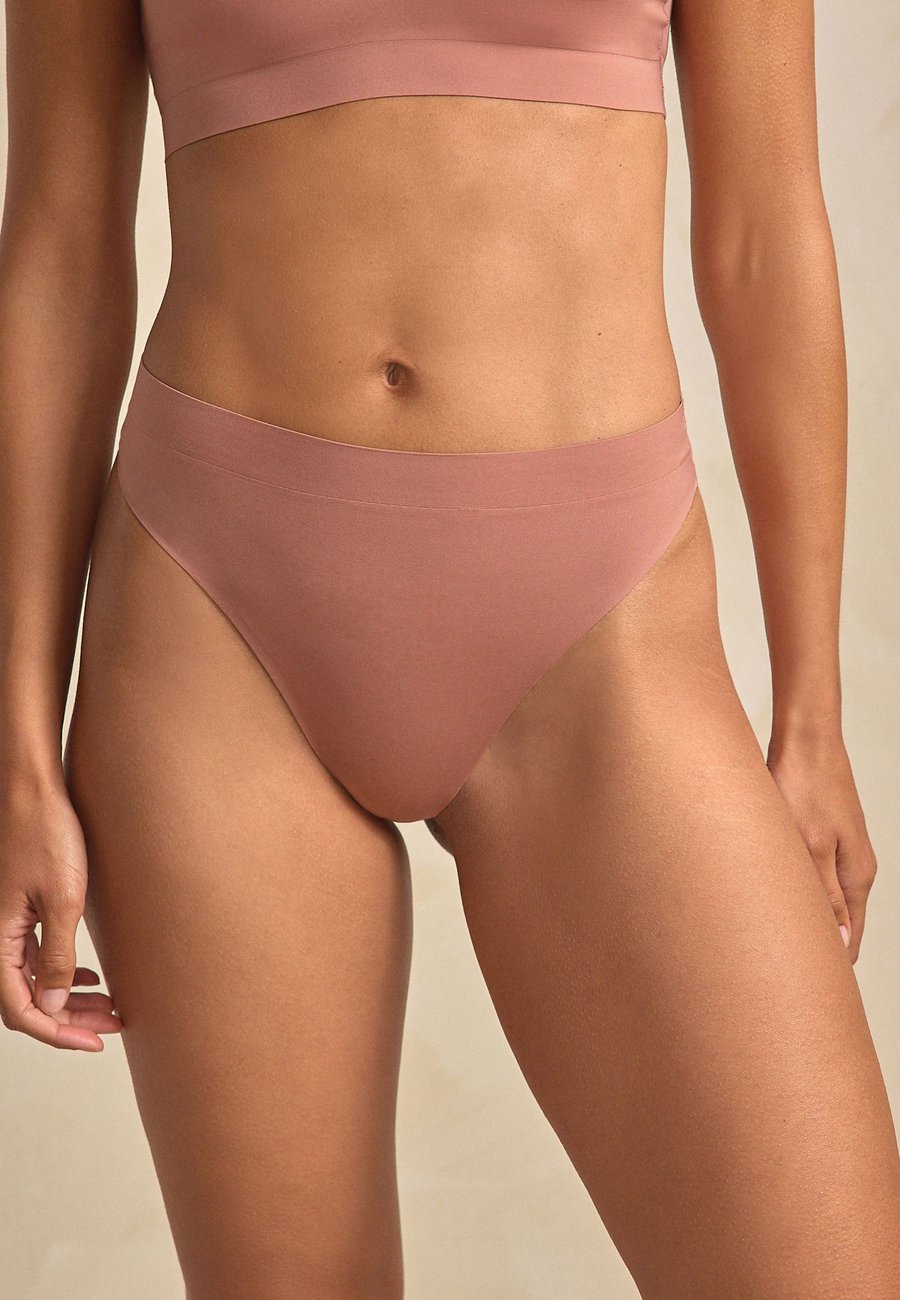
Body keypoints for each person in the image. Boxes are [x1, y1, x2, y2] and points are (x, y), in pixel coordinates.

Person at [1, 0, 898, 1295]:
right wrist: (19, 743)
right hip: (216, 614)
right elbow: (60, 248)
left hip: (603, 620)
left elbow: (766, 232)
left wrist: (812, 716)